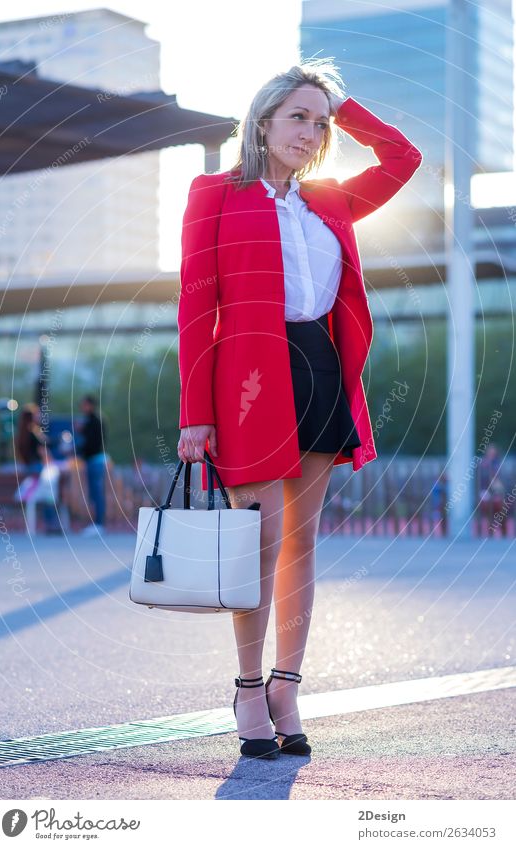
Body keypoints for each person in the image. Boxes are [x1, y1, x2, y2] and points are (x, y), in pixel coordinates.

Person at [177, 60, 422, 760]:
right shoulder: (214, 193)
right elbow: (196, 303)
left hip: (318, 366)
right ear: (263, 120)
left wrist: (343, 103)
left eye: (320, 122)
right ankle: (248, 687)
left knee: (302, 541)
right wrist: (197, 412)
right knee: (259, 537)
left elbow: (404, 156)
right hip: (247, 375)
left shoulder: (332, 200)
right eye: (298, 117)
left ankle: (288, 684)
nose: (311, 133)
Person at [15, 403, 61, 534]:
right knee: (49, 492)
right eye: (37, 414)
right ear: (32, 417)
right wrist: (62, 438)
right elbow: (47, 443)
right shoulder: (34, 431)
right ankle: (51, 523)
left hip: (30, 469)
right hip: (39, 468)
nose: (40, 416)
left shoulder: (22, 432)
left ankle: (51, 523)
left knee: (47, 492)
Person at [75, 395, 108, 536]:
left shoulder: (94, 421)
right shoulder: (93, 421)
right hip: (93, 460)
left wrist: (78, 450)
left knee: (97, 493)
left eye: (84, 405)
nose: (83, 408)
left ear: (90, 405)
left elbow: (92, 443)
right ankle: (97, 523)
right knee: (94, 493)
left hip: (95, 460)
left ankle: (99, 524)